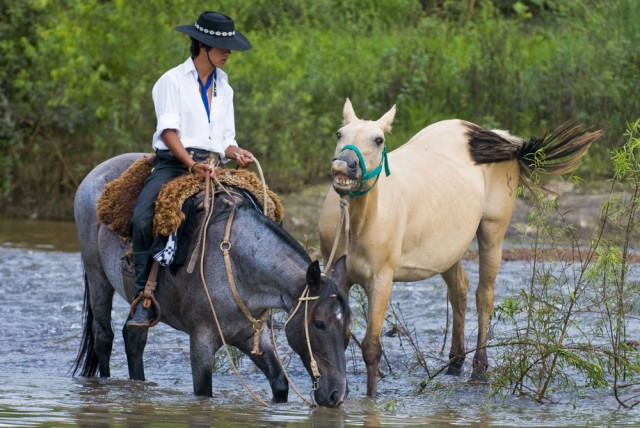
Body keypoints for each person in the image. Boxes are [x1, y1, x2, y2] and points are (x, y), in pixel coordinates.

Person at [127, 11, 254, 327]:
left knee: (259, 207)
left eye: (227, 48)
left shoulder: (225, 87)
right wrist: (189, 163)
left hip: (212, 167)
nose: (227, 53)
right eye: (220, 47)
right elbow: (169, 132)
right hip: (175, 164)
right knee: (144, 219)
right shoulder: (171, 80)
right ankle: (144, 296)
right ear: (201, 44)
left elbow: (224, 140)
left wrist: (236, 152)